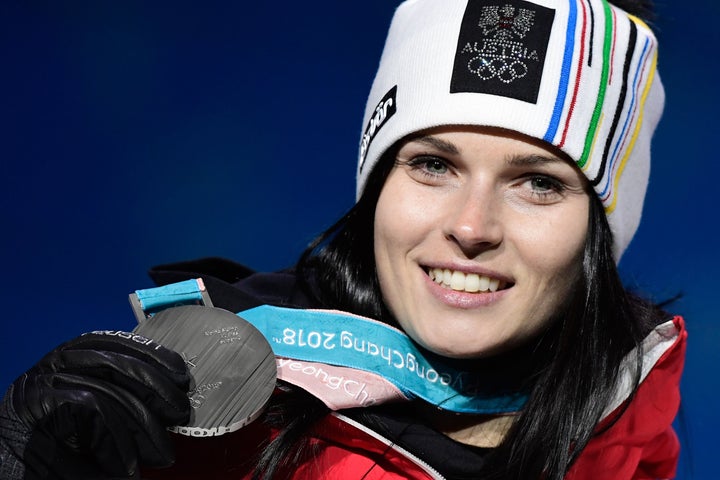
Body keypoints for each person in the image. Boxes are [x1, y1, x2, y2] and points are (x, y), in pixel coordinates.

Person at [0, 0, 686, 479]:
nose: (472, 227)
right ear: (377, 186)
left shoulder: (626, 422)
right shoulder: (194, 406)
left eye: (538, 183)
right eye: (433, 165)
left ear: (601, 229)